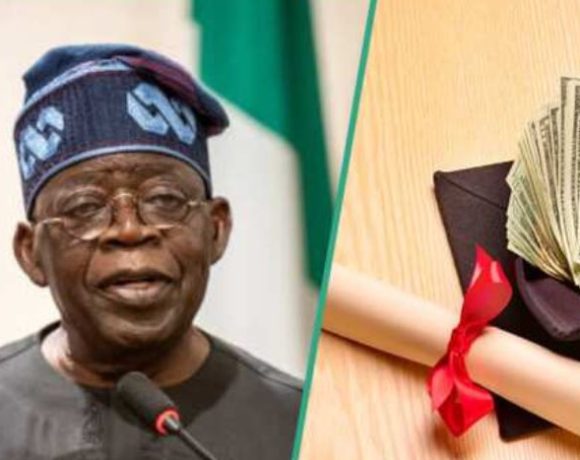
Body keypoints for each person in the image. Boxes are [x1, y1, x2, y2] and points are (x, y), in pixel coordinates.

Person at [0, 44, 302, 460]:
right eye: (85, 208)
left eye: (165, 200)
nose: (129, 231)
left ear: (215, 229)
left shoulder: (299, 424)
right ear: (31, 252)